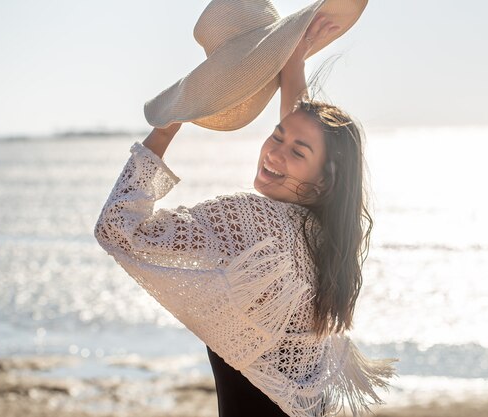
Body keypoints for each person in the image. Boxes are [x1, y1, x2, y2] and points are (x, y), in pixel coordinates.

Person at [94, 3, 397, 417]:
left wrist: (166, 128)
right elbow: (302, 132)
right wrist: (291, 60)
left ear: (323, 181)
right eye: (276, 135)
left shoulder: (250, 223)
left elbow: (117, 229)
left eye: (296, 150)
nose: (275, 150)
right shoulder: (326, 238)